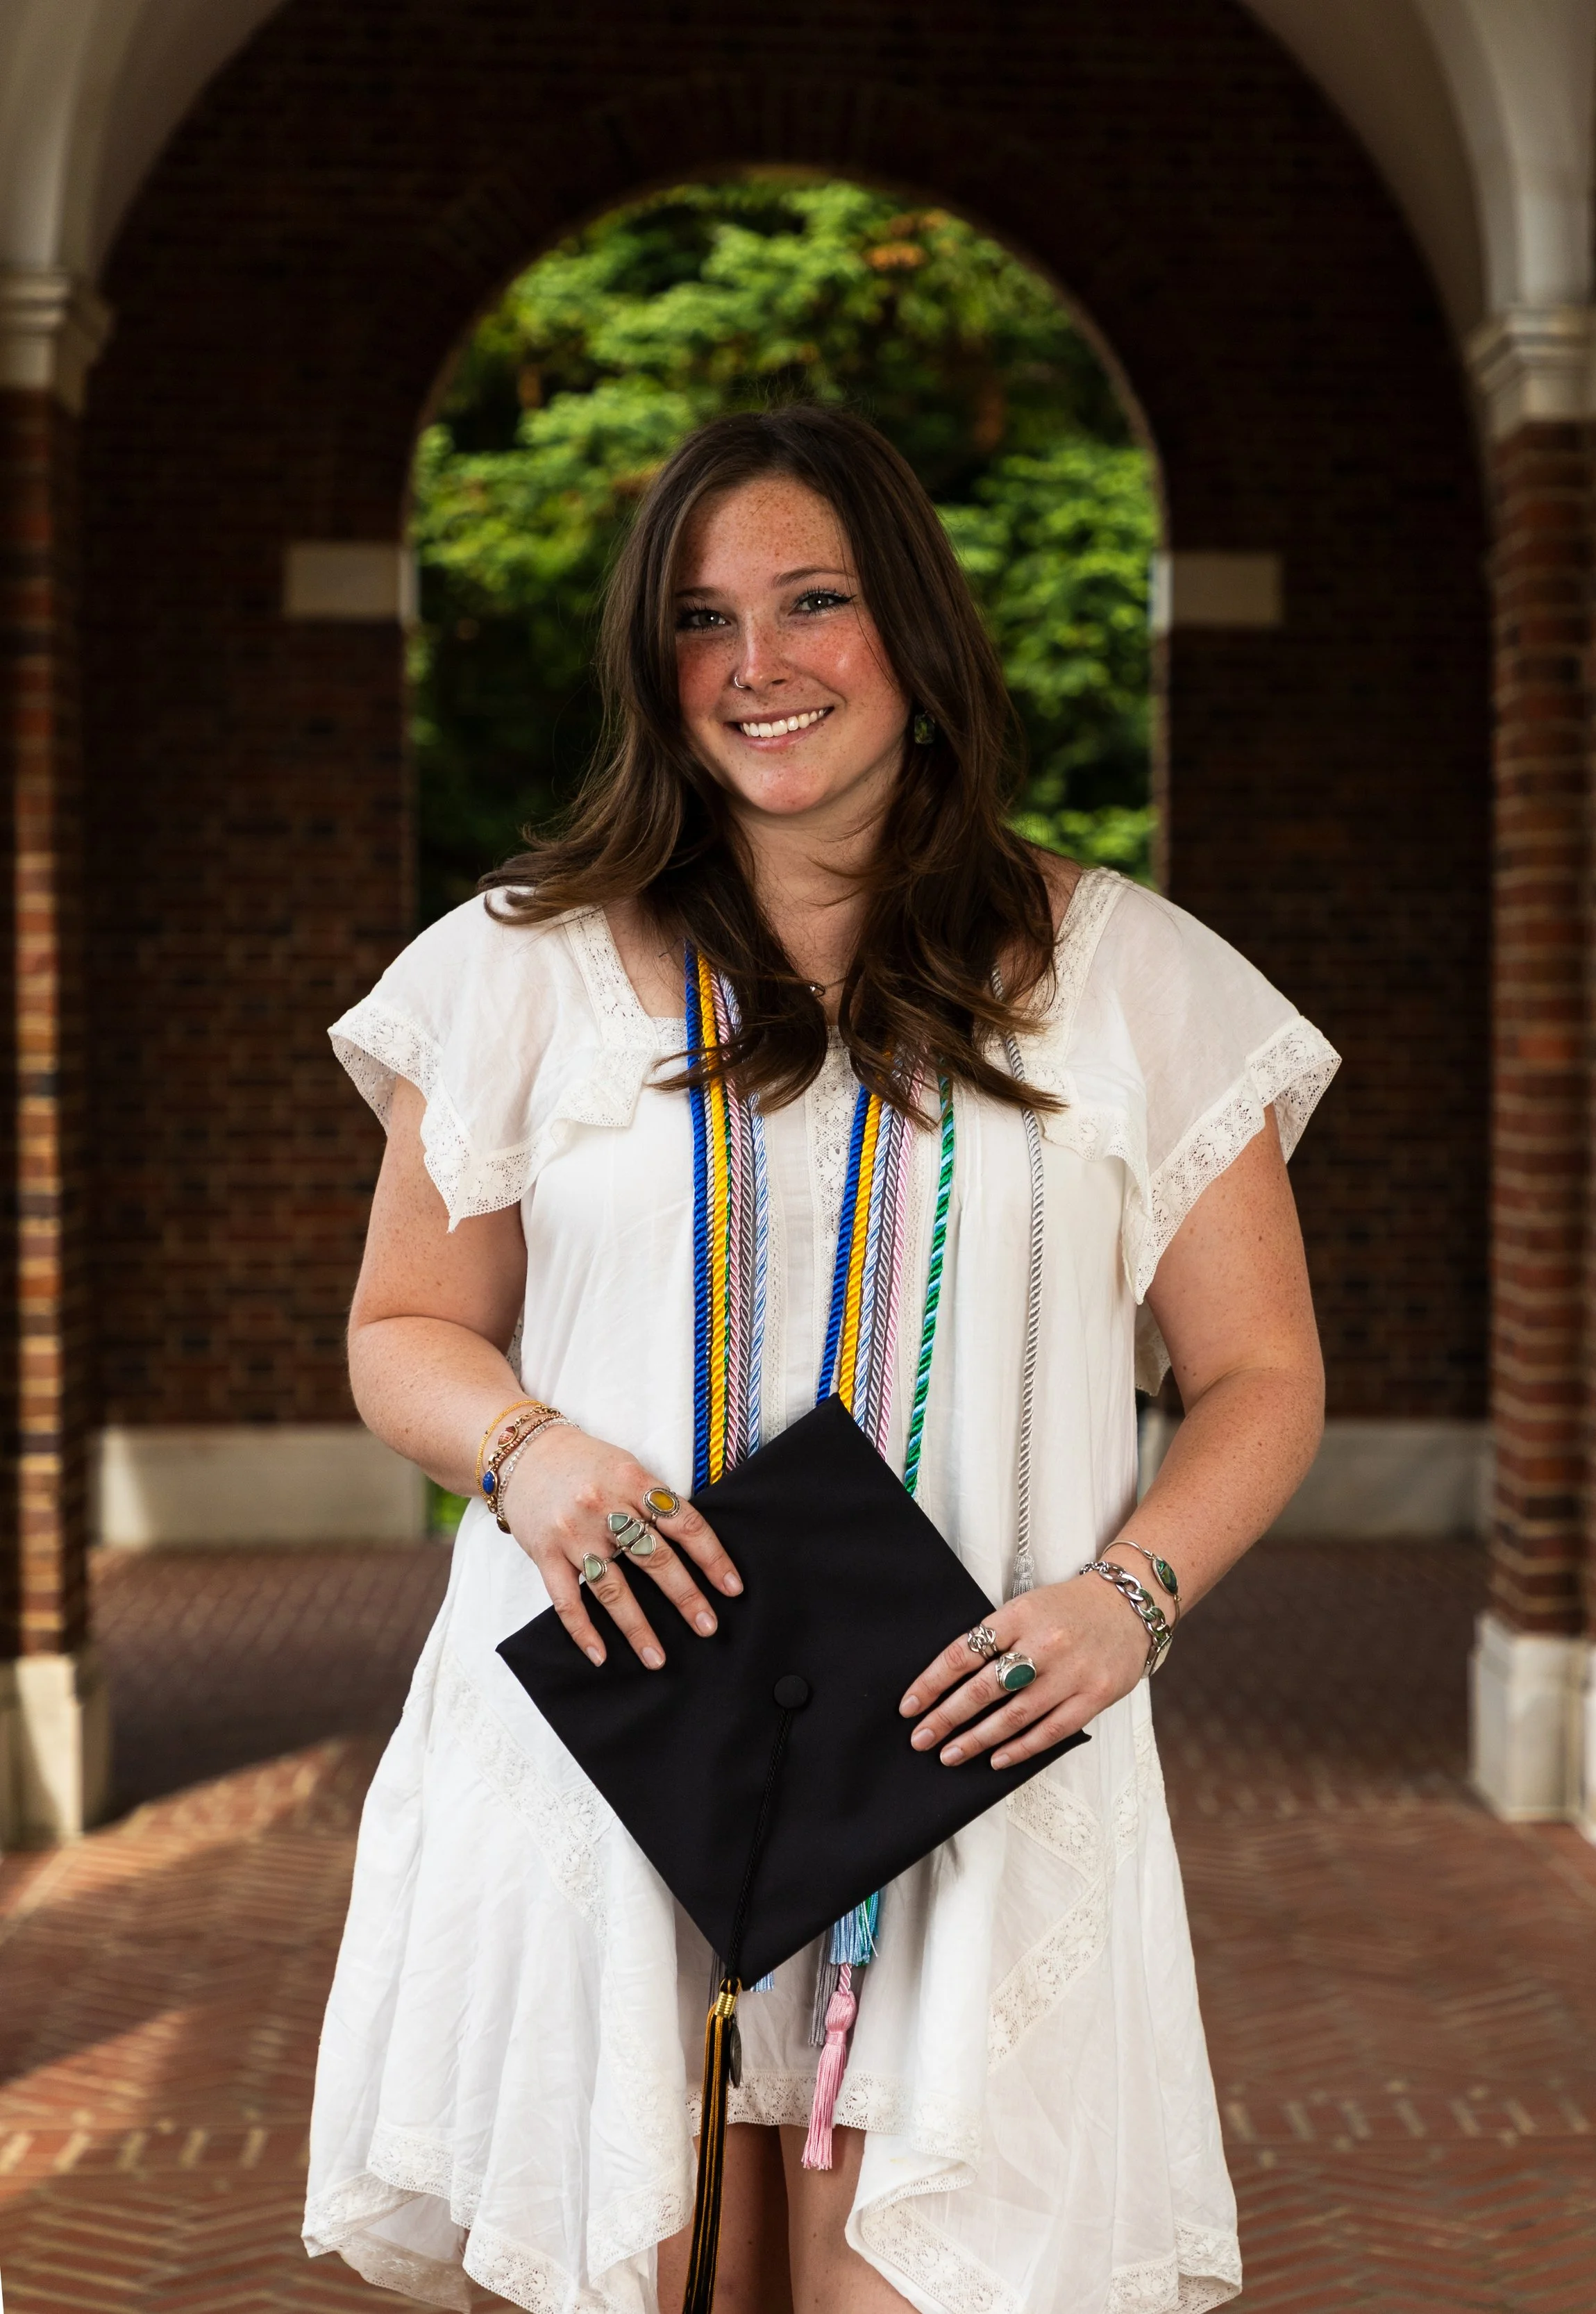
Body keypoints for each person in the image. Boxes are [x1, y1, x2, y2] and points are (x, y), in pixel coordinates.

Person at [303, 404, 1336, 2314]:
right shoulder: (517, 970)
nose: (756, 664)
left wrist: (1131, 1592)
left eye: (811, 601)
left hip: (966, 1751)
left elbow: (1262, 1368)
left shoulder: (1133, 983)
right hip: (617, 1741)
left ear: (917, 638)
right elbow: (400, 1328)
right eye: (701, 620)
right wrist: (524, 1448)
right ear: (651, 667)